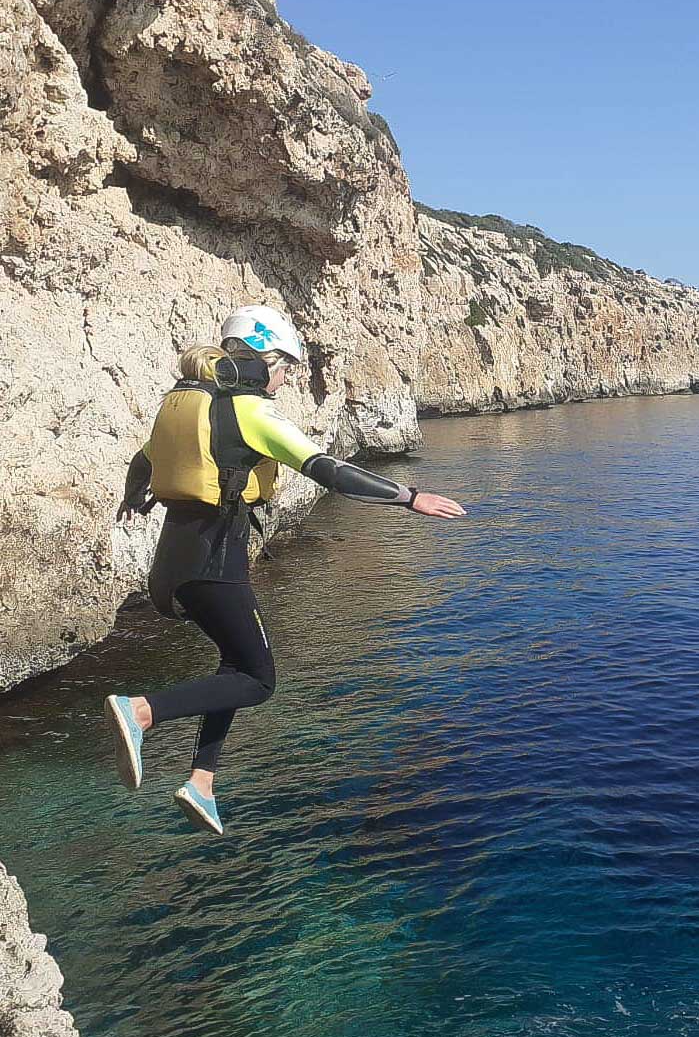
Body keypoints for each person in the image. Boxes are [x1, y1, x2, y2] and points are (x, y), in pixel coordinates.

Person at [108, 305, 465, 835]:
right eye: (286, 367)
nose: (286, 379)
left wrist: (133, 494)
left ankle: (201, 781)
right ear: (264, 359)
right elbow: (331, 472)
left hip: (172, 565)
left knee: (235, 663)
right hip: (215, 565)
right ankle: (141, 710)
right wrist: (410, 497)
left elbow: (144, 459)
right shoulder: (252, 413)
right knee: (258, 680)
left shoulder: (187, 404)